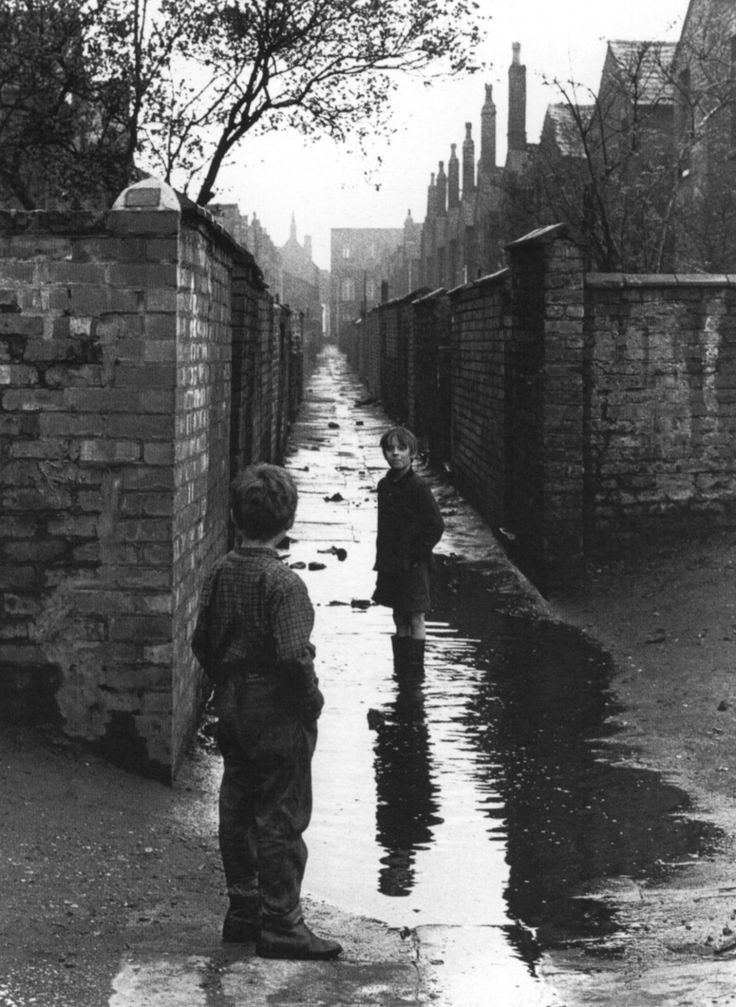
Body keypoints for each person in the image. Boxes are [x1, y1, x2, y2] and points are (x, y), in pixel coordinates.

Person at [192, 463, 341, 961]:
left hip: (232, 700)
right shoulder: (284, 585)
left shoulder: (218, 572)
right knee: (280, 812)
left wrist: (227, 681)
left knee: (236, 803)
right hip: (276, 706)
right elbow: (294, 656)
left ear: (235, 517)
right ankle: (282, 923)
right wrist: (312, 702)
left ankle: (244, 911)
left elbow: (202, 641)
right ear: (288, 522)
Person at [372, 426, 445, 676]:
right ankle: (402, 668)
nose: (395, 454)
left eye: (401, 449)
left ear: (412, 453)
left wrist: (417, 553)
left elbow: (436, 525)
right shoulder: (384, 486)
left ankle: (414, 672)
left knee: (415, 615)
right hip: (392, 564)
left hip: (414, 564)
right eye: (390, 449)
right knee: (398, 614)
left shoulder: (418, 487)